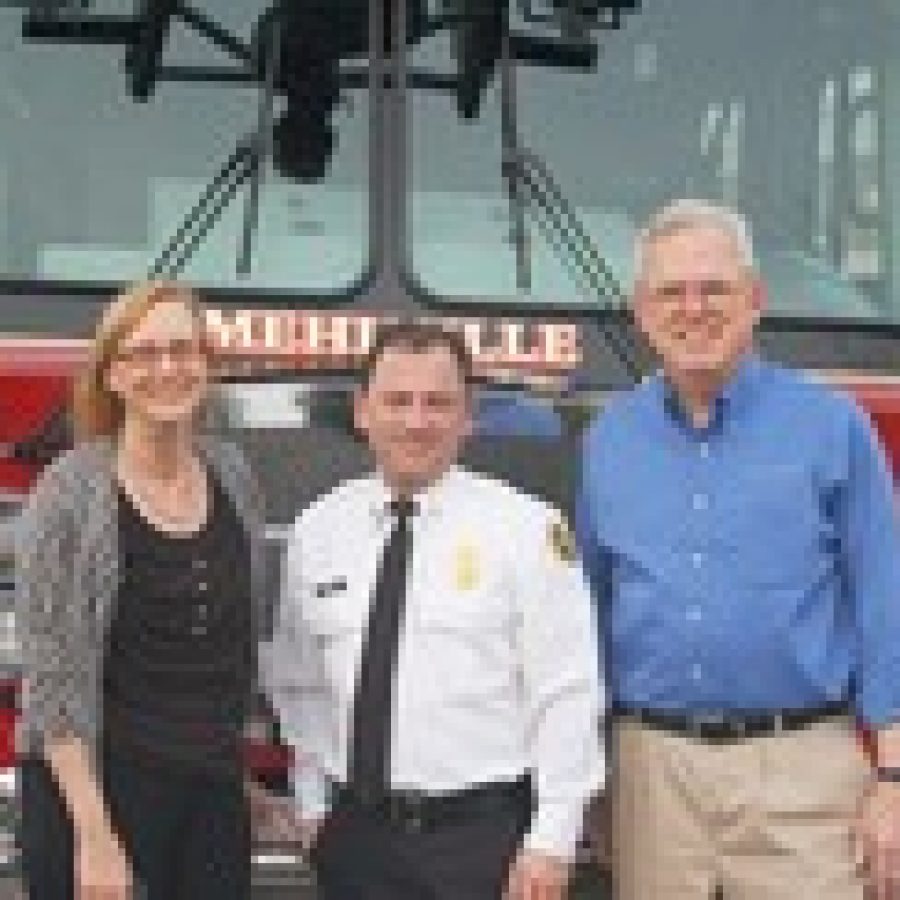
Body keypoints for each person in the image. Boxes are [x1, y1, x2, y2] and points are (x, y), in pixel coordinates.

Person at [576, 199, 900, 900]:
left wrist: (894, 782)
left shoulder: (831, 426)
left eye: (714, 289)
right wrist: (591, 772)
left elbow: (885, 601)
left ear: (756, 300)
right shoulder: (610, 440)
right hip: (652, 775)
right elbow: (591, 612)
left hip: (803, 778)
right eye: (671, 292)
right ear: (641, 309)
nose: (693, 308)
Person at [264, 322, 604, 900]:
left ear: (468, 417)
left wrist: (552, 839)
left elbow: (567, 693)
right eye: (397, 401)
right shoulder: (319, 529)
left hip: (484, 842)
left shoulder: (528, 530)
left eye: (437, 403)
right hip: (355, 842)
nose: (416, 421)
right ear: (362, 411)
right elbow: (301, 685)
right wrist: (313, 804)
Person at [16, 280, 270, 899]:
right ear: (112, 374)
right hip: (95, 797)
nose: (167, 369)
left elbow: (229, 649)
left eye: (183, 350)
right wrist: (98, 842)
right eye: (142, 354)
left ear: (207, 366)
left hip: (208, 794)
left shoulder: (233, 476)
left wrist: (241, 780)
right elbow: (53, 682)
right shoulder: (69, 492)